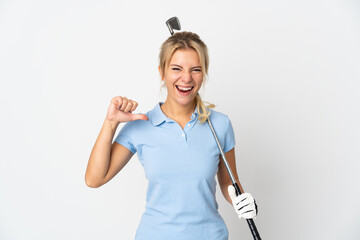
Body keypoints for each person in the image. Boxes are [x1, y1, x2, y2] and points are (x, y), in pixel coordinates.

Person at [85, 31, 257, 240]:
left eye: (196, 70)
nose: (186, 78)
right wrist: (111, 123)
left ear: (204, 74)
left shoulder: (219, 124)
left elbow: (229, 182)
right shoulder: (139, 126)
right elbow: (94, 179)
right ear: (162, 72)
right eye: (176, 69)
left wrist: (244, 201)